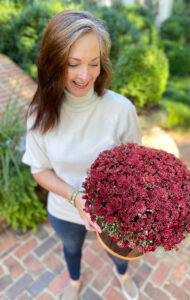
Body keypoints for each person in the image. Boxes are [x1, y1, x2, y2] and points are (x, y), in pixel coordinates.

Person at [22, 9, 142, 300]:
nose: (85, 75)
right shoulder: (39, 114)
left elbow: (136, 165)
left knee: (120, 254)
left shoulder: (121, 109)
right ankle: (74, 281)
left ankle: (122, 275)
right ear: (53, 62)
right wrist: (76, 197)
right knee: (71, 249)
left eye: (93, 63)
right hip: (64, 208)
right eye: (73, 64)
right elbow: (39, 170)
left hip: (115, 213)